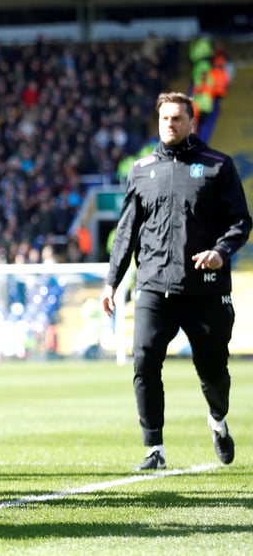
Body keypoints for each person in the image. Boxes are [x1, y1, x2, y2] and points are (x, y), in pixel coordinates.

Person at [99, 91, 251, 471]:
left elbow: (240, 221)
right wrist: (111, 283)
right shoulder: (142, 170)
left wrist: (220, 250)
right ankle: (155, 448)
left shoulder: (218, 166)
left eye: (177, 119)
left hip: (204, 289)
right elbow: (126, 232)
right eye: (165, 119)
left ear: (191, 123)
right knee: (145, 362)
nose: (170, 124)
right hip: (152, 286)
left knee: (213, 370)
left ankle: (217, 418)